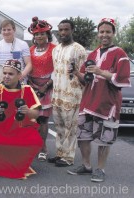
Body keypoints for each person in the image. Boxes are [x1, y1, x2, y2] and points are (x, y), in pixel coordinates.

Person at [67, 18, 131, 182]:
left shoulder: (120, 55)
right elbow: (85, 80)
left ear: (113, 33)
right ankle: (87, 166)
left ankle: (100, 169)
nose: (104, 35)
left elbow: (122, 79)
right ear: (98, 33)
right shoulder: (93, 54)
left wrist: (100, 71)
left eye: (108, 32)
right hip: (88, 102)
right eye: (101, 31)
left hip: (107, 103)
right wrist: (75, 72)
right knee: (83, 136)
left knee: (105, 138)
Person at [0, 59, 43, 179]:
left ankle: (18, 165)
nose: (6, 76)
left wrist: (27, 111)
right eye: (4, 73)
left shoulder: (27, 90)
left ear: (19, 76)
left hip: (19, 129)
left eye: (10, 74)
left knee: (35, 141)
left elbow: (35, 114)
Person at [48, 19, 87, 167]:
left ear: (72, 30)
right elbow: (54, 72)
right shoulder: (55, 49)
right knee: (59, 126)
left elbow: (84, 75)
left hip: (73, 94)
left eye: (66, 29)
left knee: (71, 128)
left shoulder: (79, 49)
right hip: (57, 93)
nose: (63, 32)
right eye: (61, 30)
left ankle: (68, 157)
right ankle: (60, 153)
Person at [27, 17, 56, 161]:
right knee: (32, 118)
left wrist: (46, 86)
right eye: (36, 34)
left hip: (47, 86)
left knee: (43, 119)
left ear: (47, 35)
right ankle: (33, 145)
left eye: (42, 34)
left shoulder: (54, 49)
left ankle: (43, 147)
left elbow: (58, 70)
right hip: (32, 86)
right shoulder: (30, 50)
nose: (39, 36)